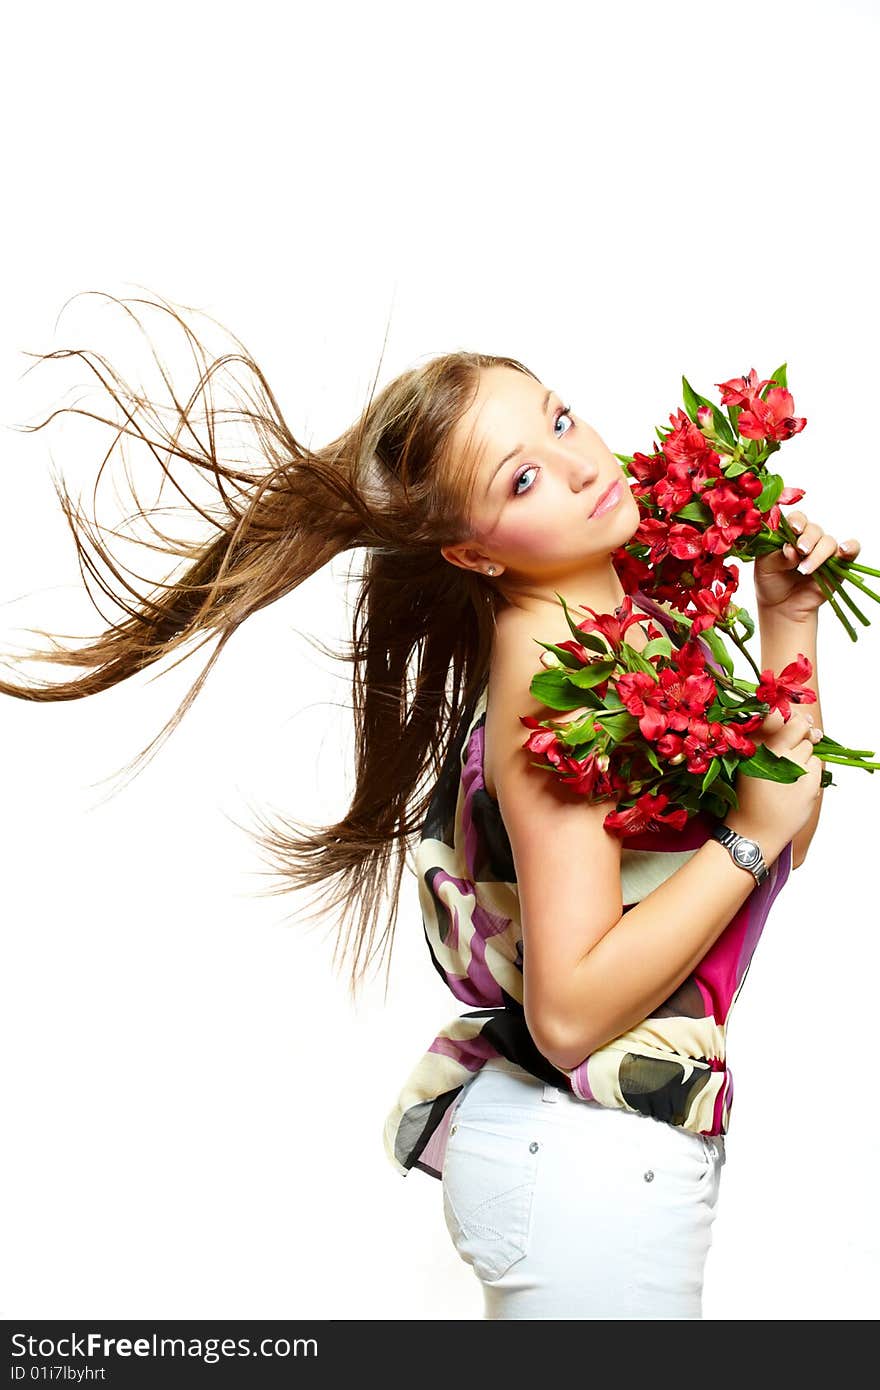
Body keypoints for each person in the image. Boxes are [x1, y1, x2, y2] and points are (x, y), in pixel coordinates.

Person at [0, 294, 858, 1319]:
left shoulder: (620, 619)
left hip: (604, 1158)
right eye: (525, 476)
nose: (581, 460)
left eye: (557, 417)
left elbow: (783, 819)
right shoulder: (555, 677)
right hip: (590, 1165)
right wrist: (750, 836)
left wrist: (788, 625)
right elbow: (573, 1008)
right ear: (472, 553)